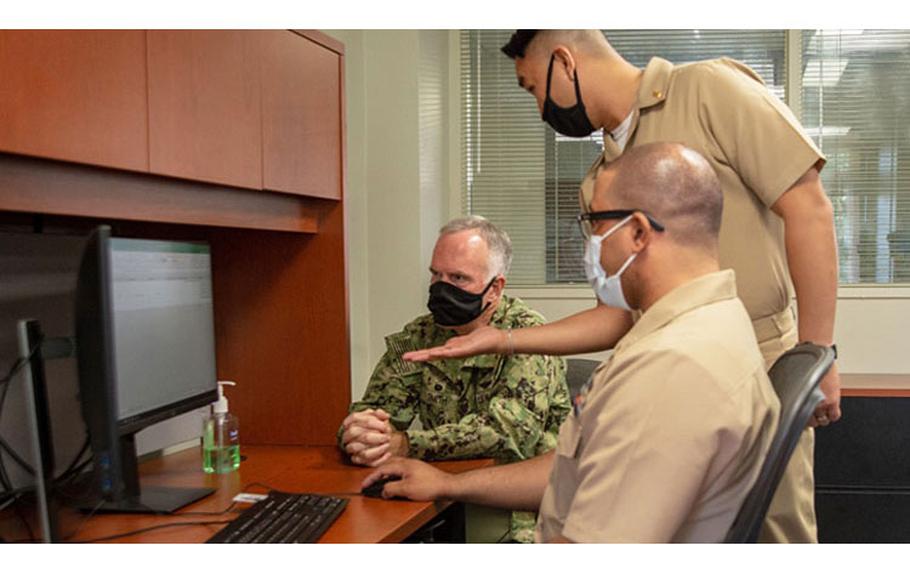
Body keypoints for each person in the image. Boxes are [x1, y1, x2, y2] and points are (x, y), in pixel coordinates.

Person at [407, 29, 840, 543]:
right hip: (694, 348)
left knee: (773, 535)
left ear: (563, 62)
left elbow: (808, 207)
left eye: (532, 89)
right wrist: (502, 338)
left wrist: (818, 352)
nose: (540, 108)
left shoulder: (710, 90)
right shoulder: (605, 176)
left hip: (751, 357)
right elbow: (616, 314)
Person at [367, 143, 780, 543]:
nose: (590, 245)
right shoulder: (710, 326)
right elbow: (575, 470)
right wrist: (448, 484)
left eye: (595, 224)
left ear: (637, 232)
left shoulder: (671, 366)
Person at [338, 215, 570, 543]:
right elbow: (374, 409)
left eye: (458, 278)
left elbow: (506, 434)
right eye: (436, 275)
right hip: (440, 499)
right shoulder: (420, 335)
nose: (442, 288)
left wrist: (406, 444)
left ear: (495, 288)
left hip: (520, 511)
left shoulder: (527, 335)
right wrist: (361, 434)